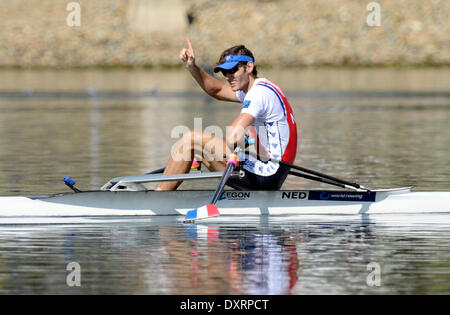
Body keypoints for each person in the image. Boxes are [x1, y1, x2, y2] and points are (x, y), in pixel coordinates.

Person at [156, 39, 297, 191]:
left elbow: (232, 138)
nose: (228, 76)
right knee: (197, 146)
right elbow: (217, 90)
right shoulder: (262, 87)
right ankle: (162, 193)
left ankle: (158, 198)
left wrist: (234, 143)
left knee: (192, 138)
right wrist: (192, 67)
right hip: (272, 169)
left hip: (268, 173)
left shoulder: (258, 94)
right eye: (225, 72)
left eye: (233, 70)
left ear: (249, 67)